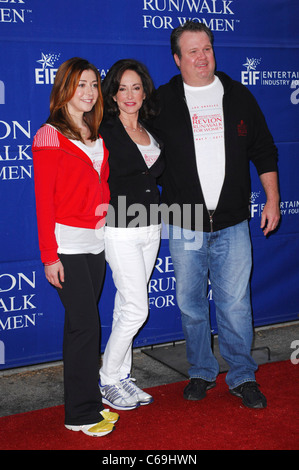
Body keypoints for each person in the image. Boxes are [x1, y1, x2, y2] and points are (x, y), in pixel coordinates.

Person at [152, 21, 280, 409]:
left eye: (206, 48)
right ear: (177, 59)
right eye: (192, 51)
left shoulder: (239, 95)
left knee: (237, 304)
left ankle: (242, 375)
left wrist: (272, 200)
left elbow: (264, 150)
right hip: (184, 222)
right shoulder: (160, 102)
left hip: (233, 223)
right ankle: (201, 371)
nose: (201, 57)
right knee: (191, 304)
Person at [32, 57, 119, 436]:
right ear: (64, 88)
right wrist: (49, 256)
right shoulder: (49, 135)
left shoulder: (94, 132)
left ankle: (85, 402)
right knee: (86, 326)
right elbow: (44, 202)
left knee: (80, 327)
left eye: (93, 85)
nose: (88, 92)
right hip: (66, 245)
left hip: (96, 244)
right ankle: (80, 414)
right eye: (80, 84)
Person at [98, 59, 165, 410]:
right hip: (119, 229)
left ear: (144, 92)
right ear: (112, 93)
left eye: (135, 87)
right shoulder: (103, 130)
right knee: (138, 308)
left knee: (126, 305)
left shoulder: (150, 129)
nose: (129, 94)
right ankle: (108, 378)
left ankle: (122, 376)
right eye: (122, 88)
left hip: (151, 227)